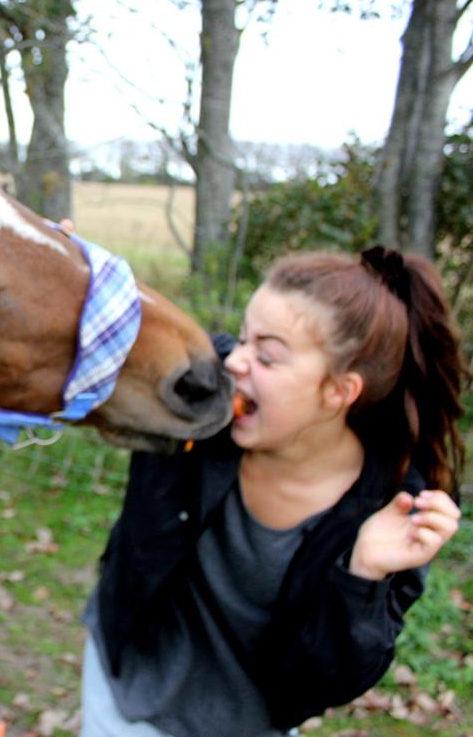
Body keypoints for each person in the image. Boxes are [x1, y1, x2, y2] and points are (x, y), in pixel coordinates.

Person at [81, 246, 466, 737]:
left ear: (337, 392)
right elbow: (100, 351)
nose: (235, 362)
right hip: (120, 682)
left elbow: (330, 678)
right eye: (243, 339)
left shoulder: (390, 510)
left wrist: (363, 575)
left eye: (266, 355)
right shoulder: (197, 394)